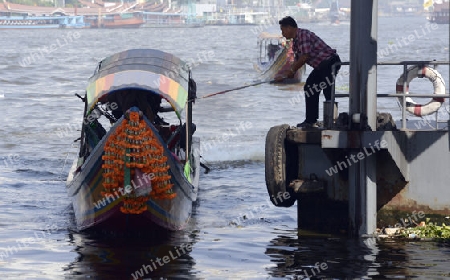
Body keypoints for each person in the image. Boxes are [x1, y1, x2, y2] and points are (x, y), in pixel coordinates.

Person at [275, 16, 341, 128]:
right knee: (310, 87)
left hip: (330, 62)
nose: (283, 33)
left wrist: (291, 71)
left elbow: (305, 56)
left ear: (290, 28)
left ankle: (333, 122)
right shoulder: (295, 42)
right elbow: (297, 62)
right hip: (321, 66)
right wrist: (285, 76)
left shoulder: (303, 35)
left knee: (328, 91)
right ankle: (310, 120)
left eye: (283, 30)